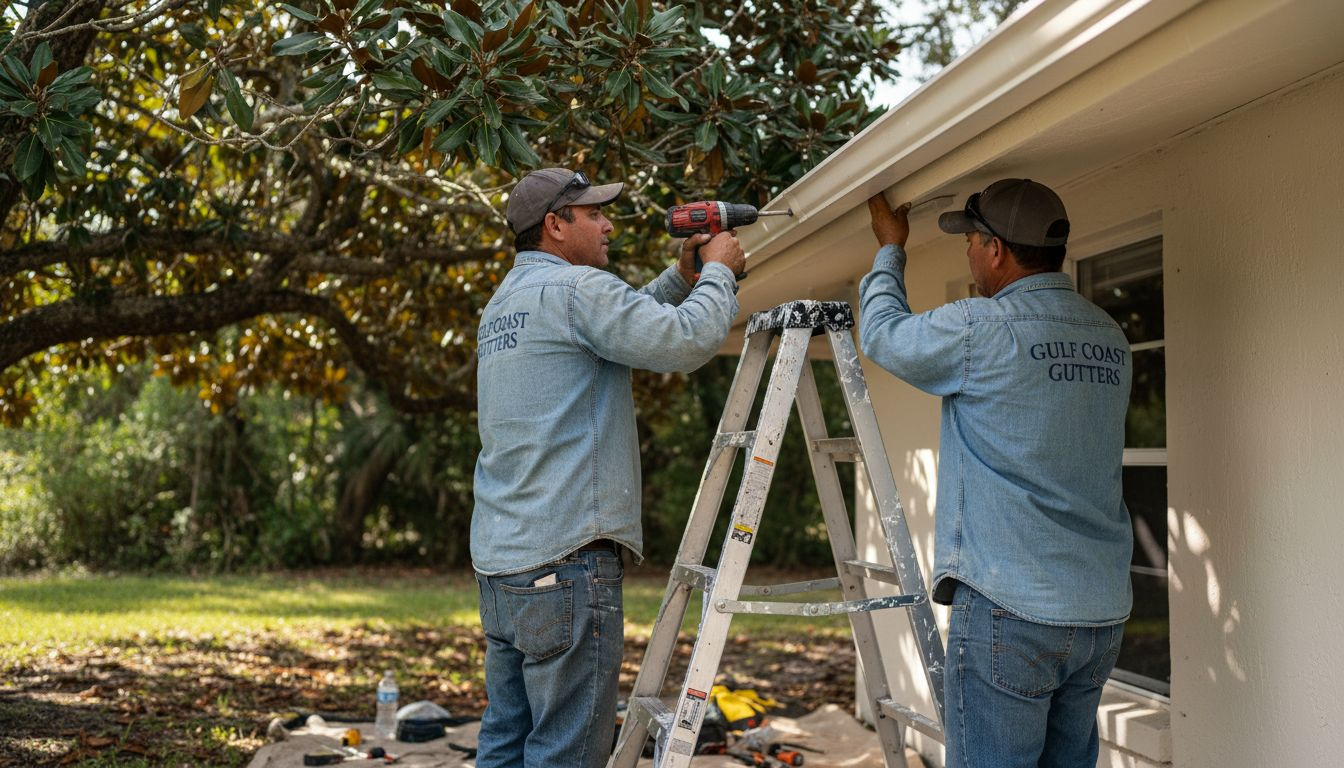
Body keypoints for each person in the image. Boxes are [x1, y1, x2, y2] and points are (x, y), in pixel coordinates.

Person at [470, 167, 745, 768]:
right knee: (565, 754)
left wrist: (682, 277)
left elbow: (626, 323)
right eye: (593, 213)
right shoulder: (576, 292)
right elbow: (683, 343)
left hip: (504, 567)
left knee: (507, 742)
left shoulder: (504, 306)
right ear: (555, 225)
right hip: (567, 564)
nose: (608, 224)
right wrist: (720, 271)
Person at [859, 179, 1134, 768]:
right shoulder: (1109, 337)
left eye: (971, 241)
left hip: (1014, 611)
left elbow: (883, 335)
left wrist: (890, 249)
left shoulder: (981, 327)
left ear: (996, 250)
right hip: (1099, 614)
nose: (968, 253)